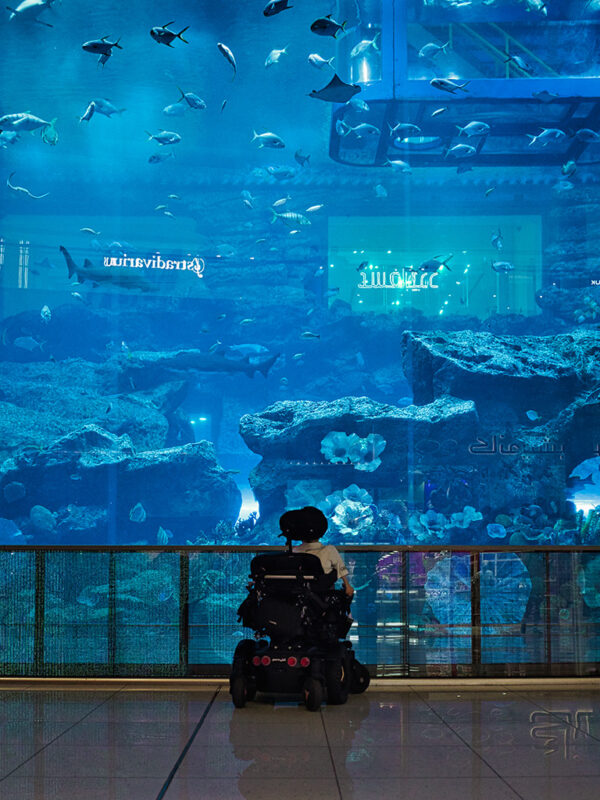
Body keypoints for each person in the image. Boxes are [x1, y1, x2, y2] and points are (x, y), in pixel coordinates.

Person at [280, 506, 354, 598]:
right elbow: (340, 569)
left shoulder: (294, 551)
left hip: (298, 595)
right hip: (322, 596)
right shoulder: (329, 549)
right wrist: (347, 585)